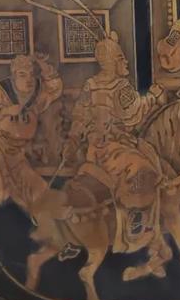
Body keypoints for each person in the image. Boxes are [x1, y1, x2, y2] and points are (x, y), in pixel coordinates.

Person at [63, 34, 170, 256]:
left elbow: (79, 117)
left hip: (94, 150)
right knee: (145, 166)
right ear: (111, 62)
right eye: (121, 58)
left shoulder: (90, 85)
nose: (126, 62)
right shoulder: (121, 86)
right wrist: (153, 96)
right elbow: (134, 115)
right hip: (116, 149)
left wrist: (73, 139)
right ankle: (135, 215)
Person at [0, 52, 64, 214]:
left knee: (37, 191)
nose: (28, 79)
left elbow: (55, 88)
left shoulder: (36, 92)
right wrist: (6, 111)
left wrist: (44, 66)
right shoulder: (1, 90)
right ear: (14, 76)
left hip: (18, 152)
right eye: (22, 74)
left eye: (31, 74)